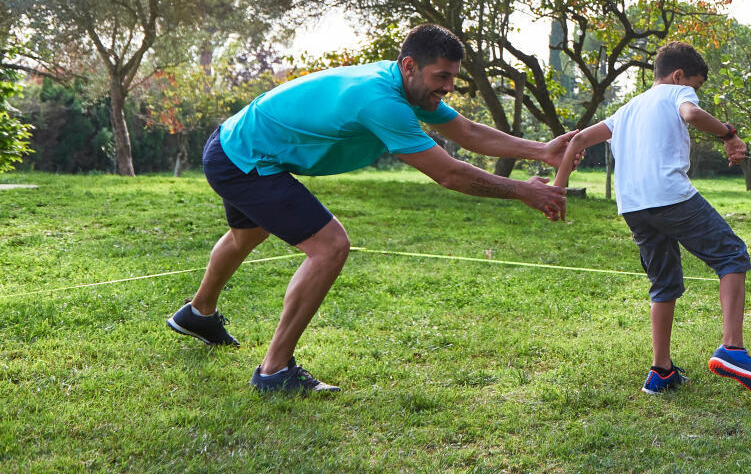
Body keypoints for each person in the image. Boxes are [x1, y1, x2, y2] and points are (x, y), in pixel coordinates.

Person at [165, 24, 570, 394]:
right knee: (329, 246)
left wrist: (541, 150)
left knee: (248, 234)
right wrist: (522, 191)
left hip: (234, 143)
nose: (447, 88)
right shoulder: (382, 101)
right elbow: (449, 174)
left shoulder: (402, 84)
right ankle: (274, 371)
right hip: (244, 158)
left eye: (452, 77)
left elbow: (465, 131)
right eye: (441, 77)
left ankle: (198, 313)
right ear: (410, 66)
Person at [551, 41, 751, 395]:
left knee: (664, 283)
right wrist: (729, 135)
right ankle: (732, 348)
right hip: (670, 197)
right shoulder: (677, 91)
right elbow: (691, 114)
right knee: (732, 256)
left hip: (634, 208)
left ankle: (661, 371)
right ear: (679, 75)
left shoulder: (626, 109)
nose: (695, 92)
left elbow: (577, 140)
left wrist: (558, 188)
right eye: (697, 86)